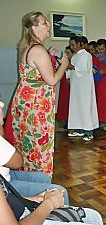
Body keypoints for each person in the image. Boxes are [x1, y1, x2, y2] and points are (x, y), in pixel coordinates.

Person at [6, 11, 69, 177]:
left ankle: (26, 185)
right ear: (33, 27)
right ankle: (40, 190)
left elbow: (36, 75)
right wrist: (64, 63)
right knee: (40, 149)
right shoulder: (39, 50)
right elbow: (52, 80)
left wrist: (50, 56)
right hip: (37, 107)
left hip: (25, 105)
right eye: (44, 22)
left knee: (27, 147)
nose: (48, 25)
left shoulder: (27, 48)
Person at [0, 176, 103, 224]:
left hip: (21, 210)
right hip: (25, 219)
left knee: (94, 216)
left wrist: (34, 198)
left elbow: (6, 197)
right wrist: (50, 203)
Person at [67, 36, 99, 141]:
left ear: (80, 44)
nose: (72, 47)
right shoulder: (75, 56)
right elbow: (73, 70)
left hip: (85, 87)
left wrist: (71, 67)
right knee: (76, 107)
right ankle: (79, 129)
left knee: (85, 108)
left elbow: (84, 70)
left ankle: (89, 132)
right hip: (76, 86)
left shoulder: (86, 55)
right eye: (70, 45)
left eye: (73, 44)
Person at [56, 46, 74, 130]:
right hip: (64, 86)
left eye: (68, 53)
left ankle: (70, 124)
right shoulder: (64, 62)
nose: (66, 54)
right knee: (64, 103)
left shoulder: (73, 62)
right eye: (65, 53)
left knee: (70, 104)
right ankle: (65, 122)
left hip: (71, 86)